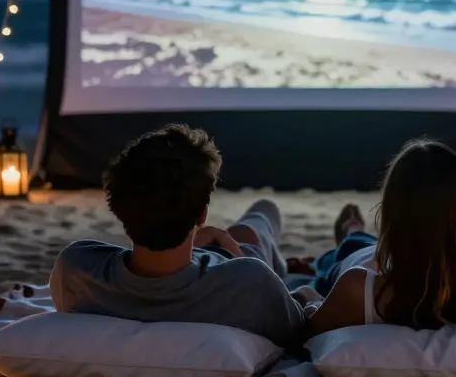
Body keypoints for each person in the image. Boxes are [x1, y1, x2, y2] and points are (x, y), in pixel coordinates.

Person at [48, 124, 307, 348]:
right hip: (241, 258)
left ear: (117, 207)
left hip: (210, 255)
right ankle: (282, 262)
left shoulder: (75, 268)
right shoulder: (252, 281)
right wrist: (241, 259)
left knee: (240, 232)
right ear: (202, 215)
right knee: (262, 214)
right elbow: (298, 330)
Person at [302, 138, 456, 335]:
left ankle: (352, 230)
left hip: (364, 260)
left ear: (392, 216)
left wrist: (309, 303)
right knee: (362, 244)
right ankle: (353, 230)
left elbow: (308, 331)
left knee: (347, 250)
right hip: (382, 259)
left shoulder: (358, 287)